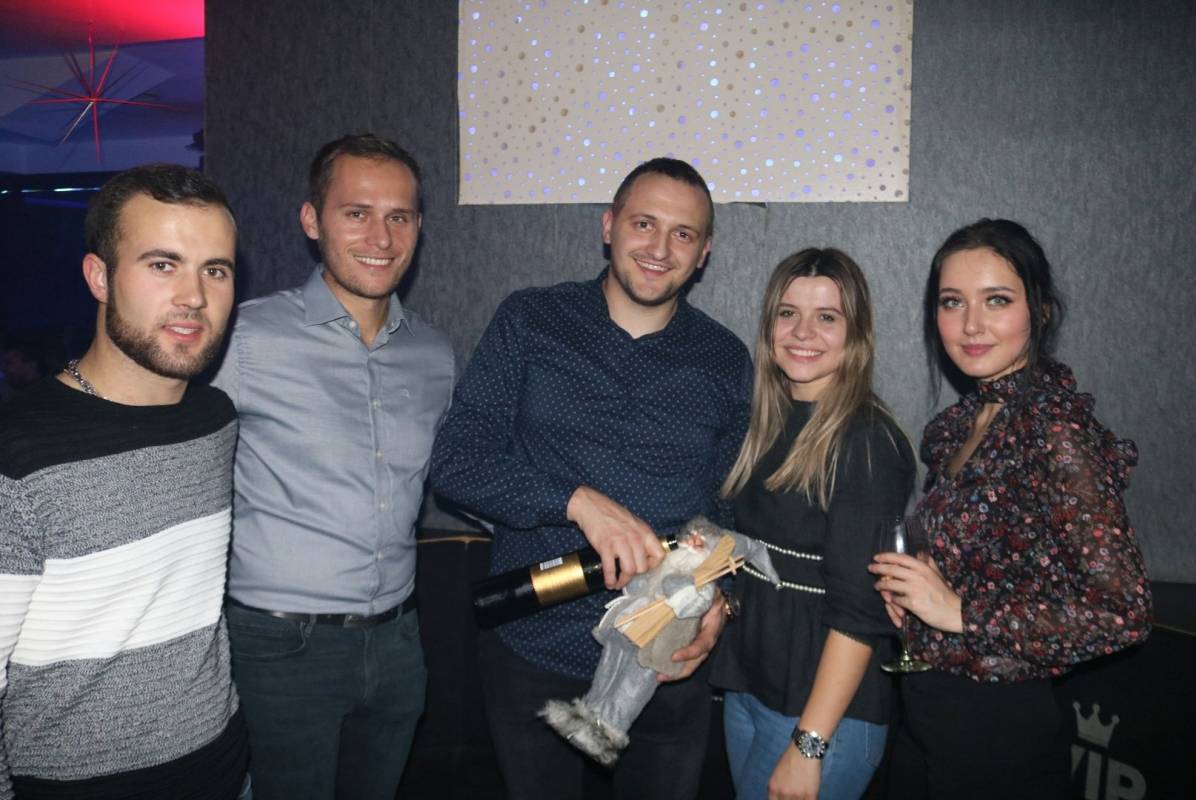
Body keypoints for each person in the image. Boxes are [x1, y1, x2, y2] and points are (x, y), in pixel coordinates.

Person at [430, 157, 752, 799]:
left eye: (683, 234)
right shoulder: (532, 320)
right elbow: (457, 461)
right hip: (532, 647)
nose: (659, 248)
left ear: (704, 251)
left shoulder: (725, 358)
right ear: (609, 226)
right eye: (643, 224)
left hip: (663, 661)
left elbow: (728, 508)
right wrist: (576, 501)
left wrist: (723, 599)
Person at [869, 218, 1152, 799]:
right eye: (953, 302)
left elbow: (1124, 612)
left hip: (997, 730)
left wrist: (961, 612)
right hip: (927, 712)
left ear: (1040, 311)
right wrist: (921, 592)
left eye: (996, 300)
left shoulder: (1054, 429)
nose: (971, 324)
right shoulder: (959, 426)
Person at [210, 134, 454, 800]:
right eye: (357, 213)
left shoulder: (434, 354)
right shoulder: (246, 339)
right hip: (279, 648)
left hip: (399, 641)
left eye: (399, 216)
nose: (381, 237)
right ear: (312, 221)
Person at [0, 164, 246, 799]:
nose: (194, 296)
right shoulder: (17, 452)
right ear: (100, 277)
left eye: (215, 270)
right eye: (163, 265)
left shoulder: (215, 419)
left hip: (225, 772)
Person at [708, 248, 915, 800]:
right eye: (788, 313)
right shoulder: (765, 423)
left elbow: (860, 613)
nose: (803, 332)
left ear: (856, 334)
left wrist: (808, 745)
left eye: (827, 317)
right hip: (751, 689)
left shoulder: (867, 442)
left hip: (821, 719)